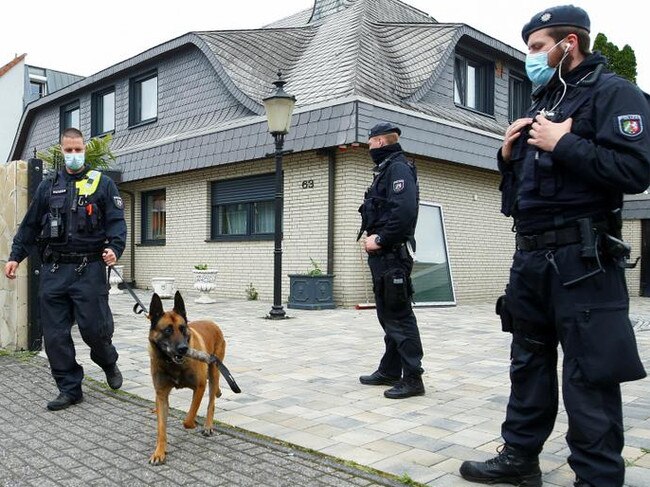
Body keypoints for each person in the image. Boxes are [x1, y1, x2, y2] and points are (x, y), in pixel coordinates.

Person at [459, 5, 649, 487]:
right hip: (530, 257)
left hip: (584, 260)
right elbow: (519, 200)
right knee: (528, 359)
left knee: (590, 370)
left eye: (538, 48)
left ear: (571, 43)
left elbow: (634, 172)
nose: (531, 59)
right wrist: (506, 157)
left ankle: (598, 477)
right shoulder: (540, 104)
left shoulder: (615, 93)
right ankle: (520, 460)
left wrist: (564, 143)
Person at [4, 127, 127, 411]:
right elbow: (31, 225)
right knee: (56, 336)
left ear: (84, 149)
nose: (74, 155)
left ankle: (108, 360)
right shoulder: (48, 187)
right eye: (68, 150)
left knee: (94, 330)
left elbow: (117, 223)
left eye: (78, 149)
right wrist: (15, 256)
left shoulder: (102, 184)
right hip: (55, 270)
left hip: (90, 268)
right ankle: (70, 389)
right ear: (62, 151)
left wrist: (114, 249)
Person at [357, 122, 425, 399]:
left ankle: (413, 378)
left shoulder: (397, 168)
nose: (368, 147)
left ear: (381, 142)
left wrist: (381, 240)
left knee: (399, 316)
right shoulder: (387, 169)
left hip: (391, 256)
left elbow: (404, 210)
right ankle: (389, 370)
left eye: (370, 142)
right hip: (385, 259)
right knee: (388, 315)